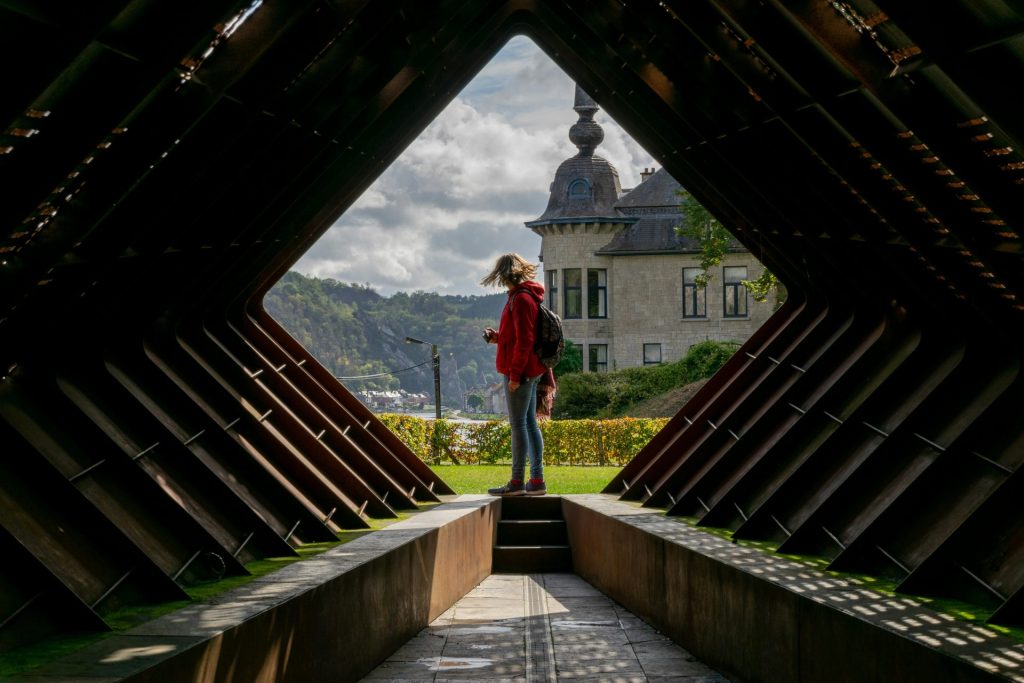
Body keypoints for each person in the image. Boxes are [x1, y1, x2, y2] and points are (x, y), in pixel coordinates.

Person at [481, 253, 547, 496]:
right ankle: (536, 481)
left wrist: (516, 375)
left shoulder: (519, 300)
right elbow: (518, 336)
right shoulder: (525, 297)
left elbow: (525, 341)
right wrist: (497, 337)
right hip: (530, 369)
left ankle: (517, 481)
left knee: (519, 425)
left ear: (504, 275)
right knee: (529, 424)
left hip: (522, 371)